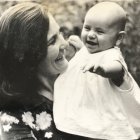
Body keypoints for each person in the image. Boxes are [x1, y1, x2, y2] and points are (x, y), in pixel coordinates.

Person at [53, 2, 140, 140]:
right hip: (85, 108)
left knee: (101, 133)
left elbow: (118, 69)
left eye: (99, 32)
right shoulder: (90, 50)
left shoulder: (111, 55)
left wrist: (104, 69)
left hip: (104, 114)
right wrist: (81, 48)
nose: (91, 35)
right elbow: (88, 55)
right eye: (87, 28)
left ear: (118, 38)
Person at [0, 2, 75, 140]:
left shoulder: (77, 80)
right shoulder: (14, 118)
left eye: (60, 33)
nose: (64, 43)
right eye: (52, 41)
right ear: (28, 57)